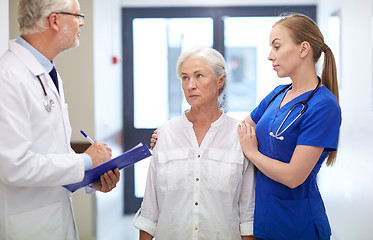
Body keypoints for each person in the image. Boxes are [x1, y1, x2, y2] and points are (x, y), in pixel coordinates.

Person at [0, 0, 120, 239]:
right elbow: (14, 167)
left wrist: (90, 178)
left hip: (54, 220)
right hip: (28, 227)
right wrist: (86, 161)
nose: (82, 23)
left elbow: (51, 151)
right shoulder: (9, 76)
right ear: (54, 20)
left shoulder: (47, 72)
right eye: (77, 16)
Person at [133, 48, 256, 240]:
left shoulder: (239, 136)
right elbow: (150, 212)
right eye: (185, 77)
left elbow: (248, 216)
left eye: (199, 76)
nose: (190, 85)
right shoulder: (165, 134)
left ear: (220, 81)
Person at [237, 13, 341, 240]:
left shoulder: (324, 106)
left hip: (298, 226)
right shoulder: (278, 94)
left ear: (303, 49)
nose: (269, 56)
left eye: (276, 46)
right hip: (264, 221)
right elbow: (239, 132)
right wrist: (174, 135)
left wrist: (252, 153)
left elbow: (294, 176)